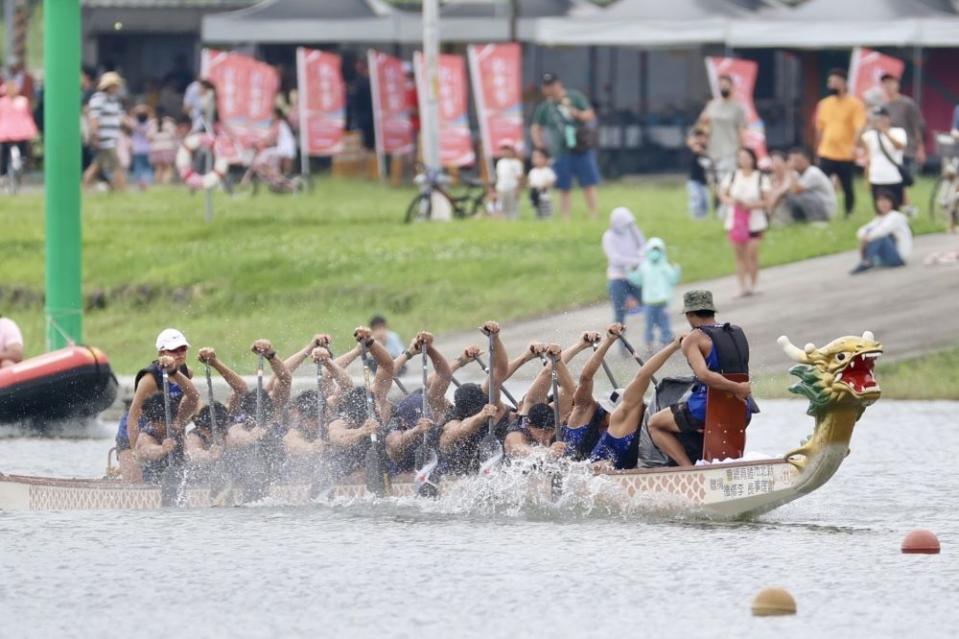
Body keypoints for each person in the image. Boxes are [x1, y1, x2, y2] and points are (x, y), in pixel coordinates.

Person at [646, 291, 752, 467]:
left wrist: (735, 388)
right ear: (712, 311)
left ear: (690, 314)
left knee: (654, 423)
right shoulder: (737, 332)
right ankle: (728, 463)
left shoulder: (693, 339)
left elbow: (703, 375)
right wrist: (738, 389)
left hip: (706, 409)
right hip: (742, 409)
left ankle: (688, 469)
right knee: (691, 416)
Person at [589, 337, 683, 470]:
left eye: (606, 412)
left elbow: (644, 375)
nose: (603, 417)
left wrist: (674, 346)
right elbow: (643, 375)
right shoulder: (620, 417)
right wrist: (674, 346)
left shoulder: (637, 414)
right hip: (594, 473)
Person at [116, 328, 193, 482]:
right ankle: (125, 473)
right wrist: (135, 451)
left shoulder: (186, 373)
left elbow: (188, 403)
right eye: (173, 350)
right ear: (161, 354)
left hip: (163, 428)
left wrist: (179, 430)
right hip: (134, 428)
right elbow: (134, 415)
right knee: (136, 482)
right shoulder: (149, 379)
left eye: (182, 348)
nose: (179, 353)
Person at [438, 322, 511, 476]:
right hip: (459, 475)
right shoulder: (452, 420)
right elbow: (460, 431)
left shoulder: (494, 405)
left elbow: (500, 371)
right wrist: (481, 417)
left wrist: (495, 338)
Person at [530, 73, 600, 219]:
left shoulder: (574, 97)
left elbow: (589, 115)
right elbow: (536, 127)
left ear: (559, 84)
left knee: (588, 183)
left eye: (552, 85)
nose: (549, 89)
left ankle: (593, 214)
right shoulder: (545, 107)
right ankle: (565, 216)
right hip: (560, 151)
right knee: (564, 186)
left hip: (581, 147)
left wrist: (574, 111)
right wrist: (540, 147)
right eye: (546, 86)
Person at [132, 355, 200, 484]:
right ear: (153, 421)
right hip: (153, 483)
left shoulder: (175, 424)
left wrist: (204, 455)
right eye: (162, 423)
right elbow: (145, 450)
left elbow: (194, 397)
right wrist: (162, 449)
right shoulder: (147, 434)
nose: (167, 426)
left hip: (177, 480)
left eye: (169, 422)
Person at [815, 68, 866, 217]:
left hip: (846, 153)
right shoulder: (824, 104)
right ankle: (821, 211)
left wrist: (854, 146)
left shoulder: (855, 104)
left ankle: (848, 213)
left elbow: (859, 127)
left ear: (844, 84)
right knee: (821, 183)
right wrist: (817, 148)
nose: (831, 86)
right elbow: (820, 128)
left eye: (835, 82)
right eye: (830, 82)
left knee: (847, 186)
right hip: (826, 151)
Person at [720, 148, 769, 297]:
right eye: (740, 157)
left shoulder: (760, 177)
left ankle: (753, 284)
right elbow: (722, 194)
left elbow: (767, 200)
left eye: (746, 157)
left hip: (755, 221)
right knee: (739, 255)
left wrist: (751, 206)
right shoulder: (732, 176)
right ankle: (742, 286)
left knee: (752, 253)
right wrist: (731, 201)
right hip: (736, 221)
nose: (743, 160)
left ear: (752, 159)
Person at [881, 72, 925, 214]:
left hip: (906, 148)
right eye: (885, 84)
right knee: (894, 181)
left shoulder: (907, 104)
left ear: (897, 85)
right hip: (890, 150)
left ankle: (905, 207)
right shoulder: (884, 107)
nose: (888, 87)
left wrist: (920, 148)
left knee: (900, 180)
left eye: (891, 83)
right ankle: (902, 208)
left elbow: (917, 126)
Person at [628, 237, 681, 350]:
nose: (655, 253)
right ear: (648, 251)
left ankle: (666, 343)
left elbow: (672, 280)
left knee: (665, 324)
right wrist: (631, 273)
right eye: (653, 249)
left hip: (662, 302)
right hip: (649, 302)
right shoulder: (644, 266)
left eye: (657, 250)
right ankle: (649, 343)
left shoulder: (665, 265)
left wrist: (676, 270)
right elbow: (638, 280)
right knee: (649, 325)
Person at [697, 74, 746, 190]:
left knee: (727, 185)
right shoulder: (712, 105)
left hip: (730, 151)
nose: (723, 87)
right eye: (721, 85)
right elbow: (702, 124)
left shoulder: (737, 108)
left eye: (725, 85)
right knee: (714, 186)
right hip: (712, 151)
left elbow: (741, 131)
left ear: (731, 86)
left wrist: (740, 151)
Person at [83, 71, 126, 191]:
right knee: (117, 166)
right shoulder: (98, 98)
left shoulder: (114, 100)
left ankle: (85, 187)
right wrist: (96, 134)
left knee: (96, 166)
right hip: (104, 139)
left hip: (112, 137)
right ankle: (122, 190)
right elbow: (94, 117)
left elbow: (121, 117)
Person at [851, 190, 913, 274]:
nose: (883, 204)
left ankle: (867, 261)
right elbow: (861, 230)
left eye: (886, 201)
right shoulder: (879, 218)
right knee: (870, 232)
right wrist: (864, 236)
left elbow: (883, 231)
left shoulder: (896, 216)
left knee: (880, 236)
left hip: (898, 258)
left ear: (892, 202)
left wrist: (866, 238)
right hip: (884, 259)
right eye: (880, 201)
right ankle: (868, 261)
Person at [603, 207, 645, 327]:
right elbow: (615, 259)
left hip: (636, 275)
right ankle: (621, 343)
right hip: (618, 277)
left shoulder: (632, 230)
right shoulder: (608, 236)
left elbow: (642, 245)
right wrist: (635, 261)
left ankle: (653, 337)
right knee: (619, 312)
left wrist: (642, 257)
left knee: (647, 304)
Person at [772, 147, 837, 223]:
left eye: (797, 161)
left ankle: (816, 220)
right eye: (792, 160)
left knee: (792, 196)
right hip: (817, 205)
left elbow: (795, 190)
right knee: (789, 196)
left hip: (825, 209)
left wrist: (789, 171)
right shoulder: (797, 173)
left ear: (807, 160)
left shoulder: (813, 172)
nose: (794, 164)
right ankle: (797, 220)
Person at [861, 106, 907, 211]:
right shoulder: (870, 134)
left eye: (883, 118)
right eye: (878, 119)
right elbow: (859, 144)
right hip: (876, 178)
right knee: (879, 209)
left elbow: (899, 146)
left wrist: (885, 132)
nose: (880, 121)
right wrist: (865, 124)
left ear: (888, 118)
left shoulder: (898, 131)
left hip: (894, 177)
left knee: (895, 209)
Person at [0, 80, 38, 182]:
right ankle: (3, 173)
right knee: (4, 152)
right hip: (6, 131)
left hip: (20, 131)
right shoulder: (2, 102)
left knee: (24, 149)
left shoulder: (22, 101)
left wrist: (31, 129)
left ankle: (23, 162)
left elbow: (27, 116)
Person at [347, 58, 375, 151]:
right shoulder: (358, 81)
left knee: (368, 142)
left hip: (367, 116)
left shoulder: (366, 81)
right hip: (362, 115)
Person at [685, 127, 713, 219]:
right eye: (698, 137)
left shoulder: (708, 149)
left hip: (704, 181)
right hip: (694, 180)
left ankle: (703, 217)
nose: (701, 140)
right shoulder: (692, 149)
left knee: (705, 200)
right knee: (696, 199)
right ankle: (696, 217)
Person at [494, 141, 524, 219]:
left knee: (513, 206)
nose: (505, 152)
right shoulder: (500, 163)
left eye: (507, 149)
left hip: (512, 187)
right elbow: (499, 177)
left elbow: (519, 177)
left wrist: (518, 190)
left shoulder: (516, 163)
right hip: (502, 188)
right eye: (503, 150)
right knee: (503, 206)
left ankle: (514, 220)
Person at [148, 106, 178, 185]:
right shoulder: (169, 123)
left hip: (156, 147)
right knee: (168, 168)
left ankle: (158, 184)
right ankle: (165, 184)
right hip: (168, 147)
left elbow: (149, 137)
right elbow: (173, 135)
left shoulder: (152, 123)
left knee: (158, 168)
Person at [129, 104, 153, 190]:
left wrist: (135, 110)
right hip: (147, 149)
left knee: (138, 167)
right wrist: (147, 109)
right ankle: (147, 183)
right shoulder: (150, 123)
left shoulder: (134, 123)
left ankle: (138, 183)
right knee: (147, 167)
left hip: (136, 149)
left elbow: (130, 117)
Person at [527, 147, 557, 219]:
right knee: (537, 211)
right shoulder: (532, 171)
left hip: (545, 196)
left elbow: (552, 181)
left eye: (540, 157)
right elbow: (530, 182)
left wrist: (544, 185)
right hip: (535, 195)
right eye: (535, 158)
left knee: (546, 211)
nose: (537, 160)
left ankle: (547, 219)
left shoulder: (547, 170)